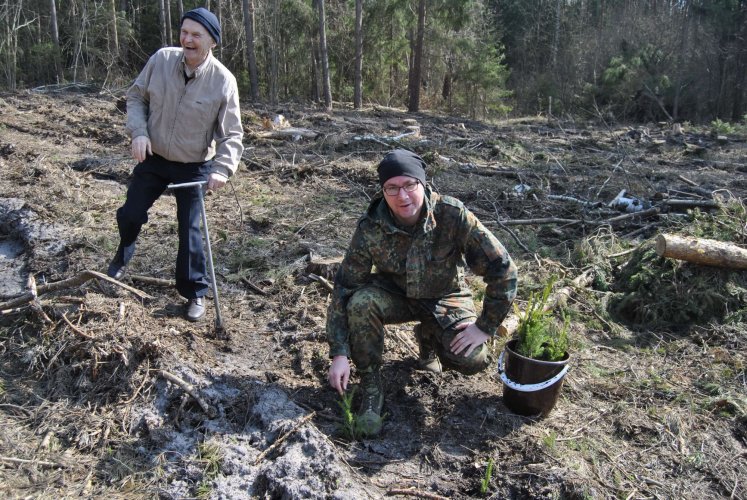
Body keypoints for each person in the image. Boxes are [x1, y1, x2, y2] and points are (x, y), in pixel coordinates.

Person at [326, 149, 518, 437]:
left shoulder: (452, 215)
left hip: (445, 298)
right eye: (392, 188)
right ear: (382, 190)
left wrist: (484, 326)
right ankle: (370, 385)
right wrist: (339, 353)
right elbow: (345, 287)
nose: (402, 196)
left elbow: (502, 268)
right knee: (361, 301)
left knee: (473, 359)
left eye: (409, 185)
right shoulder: (371, 227)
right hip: (396, 295)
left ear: (423, 184)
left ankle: (429, 337)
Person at [107, 7, 244, 322]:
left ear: (212, 42)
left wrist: (222, 169)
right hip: (153, 157)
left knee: (190, 230)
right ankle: (122, 255)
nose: (188, 39)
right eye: (185, 32)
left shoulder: (224, 82)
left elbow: (232, 135)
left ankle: (195, 291)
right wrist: (139, 133)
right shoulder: (161, 60)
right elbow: (136, 97)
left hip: (194, 166)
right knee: (130, 214)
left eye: (196, 35)